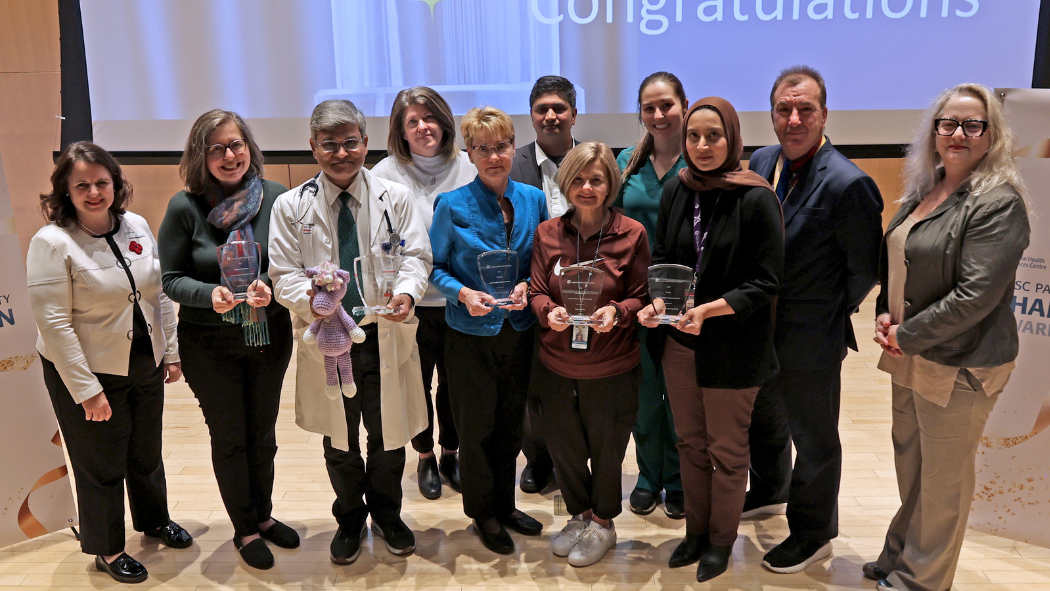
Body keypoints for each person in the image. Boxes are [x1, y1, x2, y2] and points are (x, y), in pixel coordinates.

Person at [866, 83, 1030, 591]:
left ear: (991, 135)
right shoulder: (924, 188)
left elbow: (976, 296)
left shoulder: (998, 202)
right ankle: (901, 554)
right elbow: (897, 260)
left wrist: (906, 334)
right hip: (912, 351)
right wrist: (881, 313)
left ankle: (922, 580)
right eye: (948, 123)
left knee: (945, 482)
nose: (958, 133)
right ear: (933, 131)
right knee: (914, 469)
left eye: (972, 124)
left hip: (962, 361)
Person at [268, 99, 431, 565]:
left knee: (388, 435)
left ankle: (387, 514)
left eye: (350, 142)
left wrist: (406, 292)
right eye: (329, 144)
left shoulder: (394, 196)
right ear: (313, 148)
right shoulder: (290, 205)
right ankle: (349, 519)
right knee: (339, 437)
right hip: (330, 341)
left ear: (365, 141)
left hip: (384, 334)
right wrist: (323, 306)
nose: (342, 153)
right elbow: (284, 274)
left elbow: (416, 257)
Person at [27, 142, 191, 584]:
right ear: (65, 189)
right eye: (82, 185)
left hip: (142, 358)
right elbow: (55, 325)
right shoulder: (51, 242)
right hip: (86, 368)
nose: (94, 192)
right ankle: (107, 548)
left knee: (145, 450)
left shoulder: (134, 224)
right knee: (99, 463)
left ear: (116, 184)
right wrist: (87, 390)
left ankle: (154, 521)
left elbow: (157, 296)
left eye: (103, 182)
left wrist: (170, 352)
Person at [744, 65, 883, 574]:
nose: (794, 118)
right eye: (784, 109)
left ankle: (814, 533)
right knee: (766, 418)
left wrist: (823, 309)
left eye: (806, 109)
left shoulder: (849, 183)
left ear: (824, 114)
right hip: (761, 327)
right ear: (773, 114)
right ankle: (768, 489)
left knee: (815, 438)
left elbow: (865, 270)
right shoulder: (762, 160)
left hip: (812, 334)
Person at [638, 97, 783, 583]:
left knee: (727, 450)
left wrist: (711, 310)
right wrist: (659, 302)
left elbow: (766, 283)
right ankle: (695, 533)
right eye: (694, 136)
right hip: (680, 342)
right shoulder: (678, 191)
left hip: (733, 345)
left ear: (733, 138)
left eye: (713, 136)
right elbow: (661, 258)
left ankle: (722, 541)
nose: (702, 146)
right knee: (689, 443)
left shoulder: (756, 196)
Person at [158, 110, 297, 570]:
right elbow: (171, 279)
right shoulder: (185, 206)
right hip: (209, 343)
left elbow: (292, 265)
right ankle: (243, 528)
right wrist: (209, 293)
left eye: (236, 144)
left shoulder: (276, 198)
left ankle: (264, 516)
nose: (229, 155)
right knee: (230, 436)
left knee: (263, 434)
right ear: (201, 155)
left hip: (267, 336)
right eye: (216, 148)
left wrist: (271, 288)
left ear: (249, 147)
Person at [429, 106, 548, 554]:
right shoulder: (452, 203)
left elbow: (542, 261)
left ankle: (506, 502)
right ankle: (483, 513)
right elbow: (433, 268)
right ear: (469, 153)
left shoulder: (534, 199)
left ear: (513, 147)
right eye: (483, 148)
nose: (494, 156)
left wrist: (527, 284)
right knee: (476, 427)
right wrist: (462, 294)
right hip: (469, 334)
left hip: (519, 328)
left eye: (502, 146)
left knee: (511, 424)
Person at [529, 141, 650, 566]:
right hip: (555, 364)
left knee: (606, 449)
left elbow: (641, 296)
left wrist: (616, 313)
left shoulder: (631, 233)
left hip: (612, 365)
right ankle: (578, 517)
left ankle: (603, 523)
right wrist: (549, 311)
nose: (585, 187)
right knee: (563, 446)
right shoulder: (548, 233)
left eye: (595, 179)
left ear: (609, 184)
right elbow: (538, 290)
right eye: (577, 179)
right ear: (565, 182)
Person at [371, 86, 475, 500]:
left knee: (454, 385)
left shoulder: (468, 166)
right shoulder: (383, 174)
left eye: (429, 117)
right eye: (411, 120)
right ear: (400, 128)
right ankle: (425, 455)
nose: (422, 126)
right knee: (416, 384)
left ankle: (452, 451)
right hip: (407, 303)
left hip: (459, 299)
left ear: (444, 121)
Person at [615, 71, 689, 519]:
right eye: (650, 107)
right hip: (636, 303)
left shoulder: (701, 160)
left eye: (667, 105)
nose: (659, 115)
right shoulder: (625, 163)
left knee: (680, 395)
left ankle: (678, 478)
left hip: (687, 305)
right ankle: (647, 475)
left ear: (684, 105)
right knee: (644, 395)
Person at [509, 74, 579, 493]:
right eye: (542, 109)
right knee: (532, 383)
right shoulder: (510, 162)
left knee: (579, 384)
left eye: (559, 108)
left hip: (586, 293)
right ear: (532, 117)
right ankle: (537, 459)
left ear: (574, 114)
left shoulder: (595, 160)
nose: (551, 116)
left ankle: (574, 457)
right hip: (526, 292)